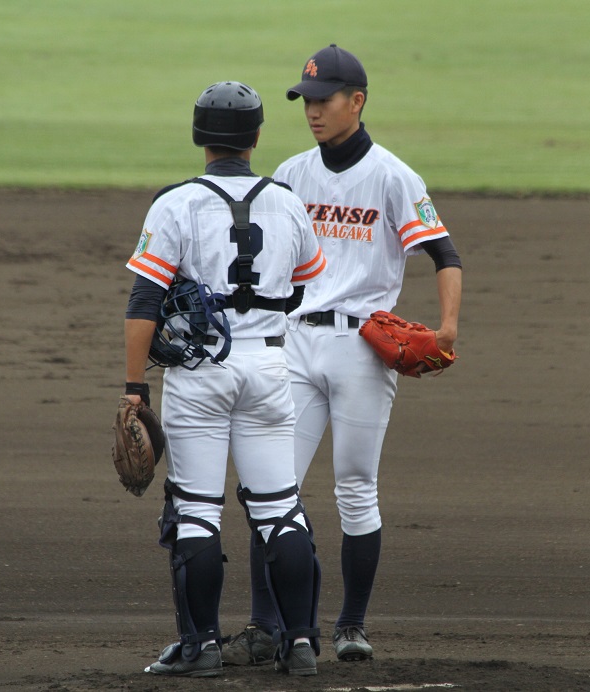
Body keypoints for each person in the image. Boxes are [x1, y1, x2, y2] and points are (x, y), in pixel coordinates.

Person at [223, 45, 462, 666]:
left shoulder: (392, 175)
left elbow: (444, 253)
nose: (313, 110)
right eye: (306, 100)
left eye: (325, 99)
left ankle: (350, 625)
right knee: (273, 485)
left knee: (355, 487)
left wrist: (448, 329)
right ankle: (267, 624)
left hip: (363, 348)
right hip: (296, 343)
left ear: (357, 101)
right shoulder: (292, 172)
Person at [123, 80, 328, 678]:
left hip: (199, 373)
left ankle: (201, 647)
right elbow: (299, 286)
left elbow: (143, 301)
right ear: (257, 137)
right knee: (280, 510)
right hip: (269, 368)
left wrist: (134, 389)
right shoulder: (287, 201)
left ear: (199, 137)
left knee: (195, 512)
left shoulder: (176, 204)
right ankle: (300, 645)